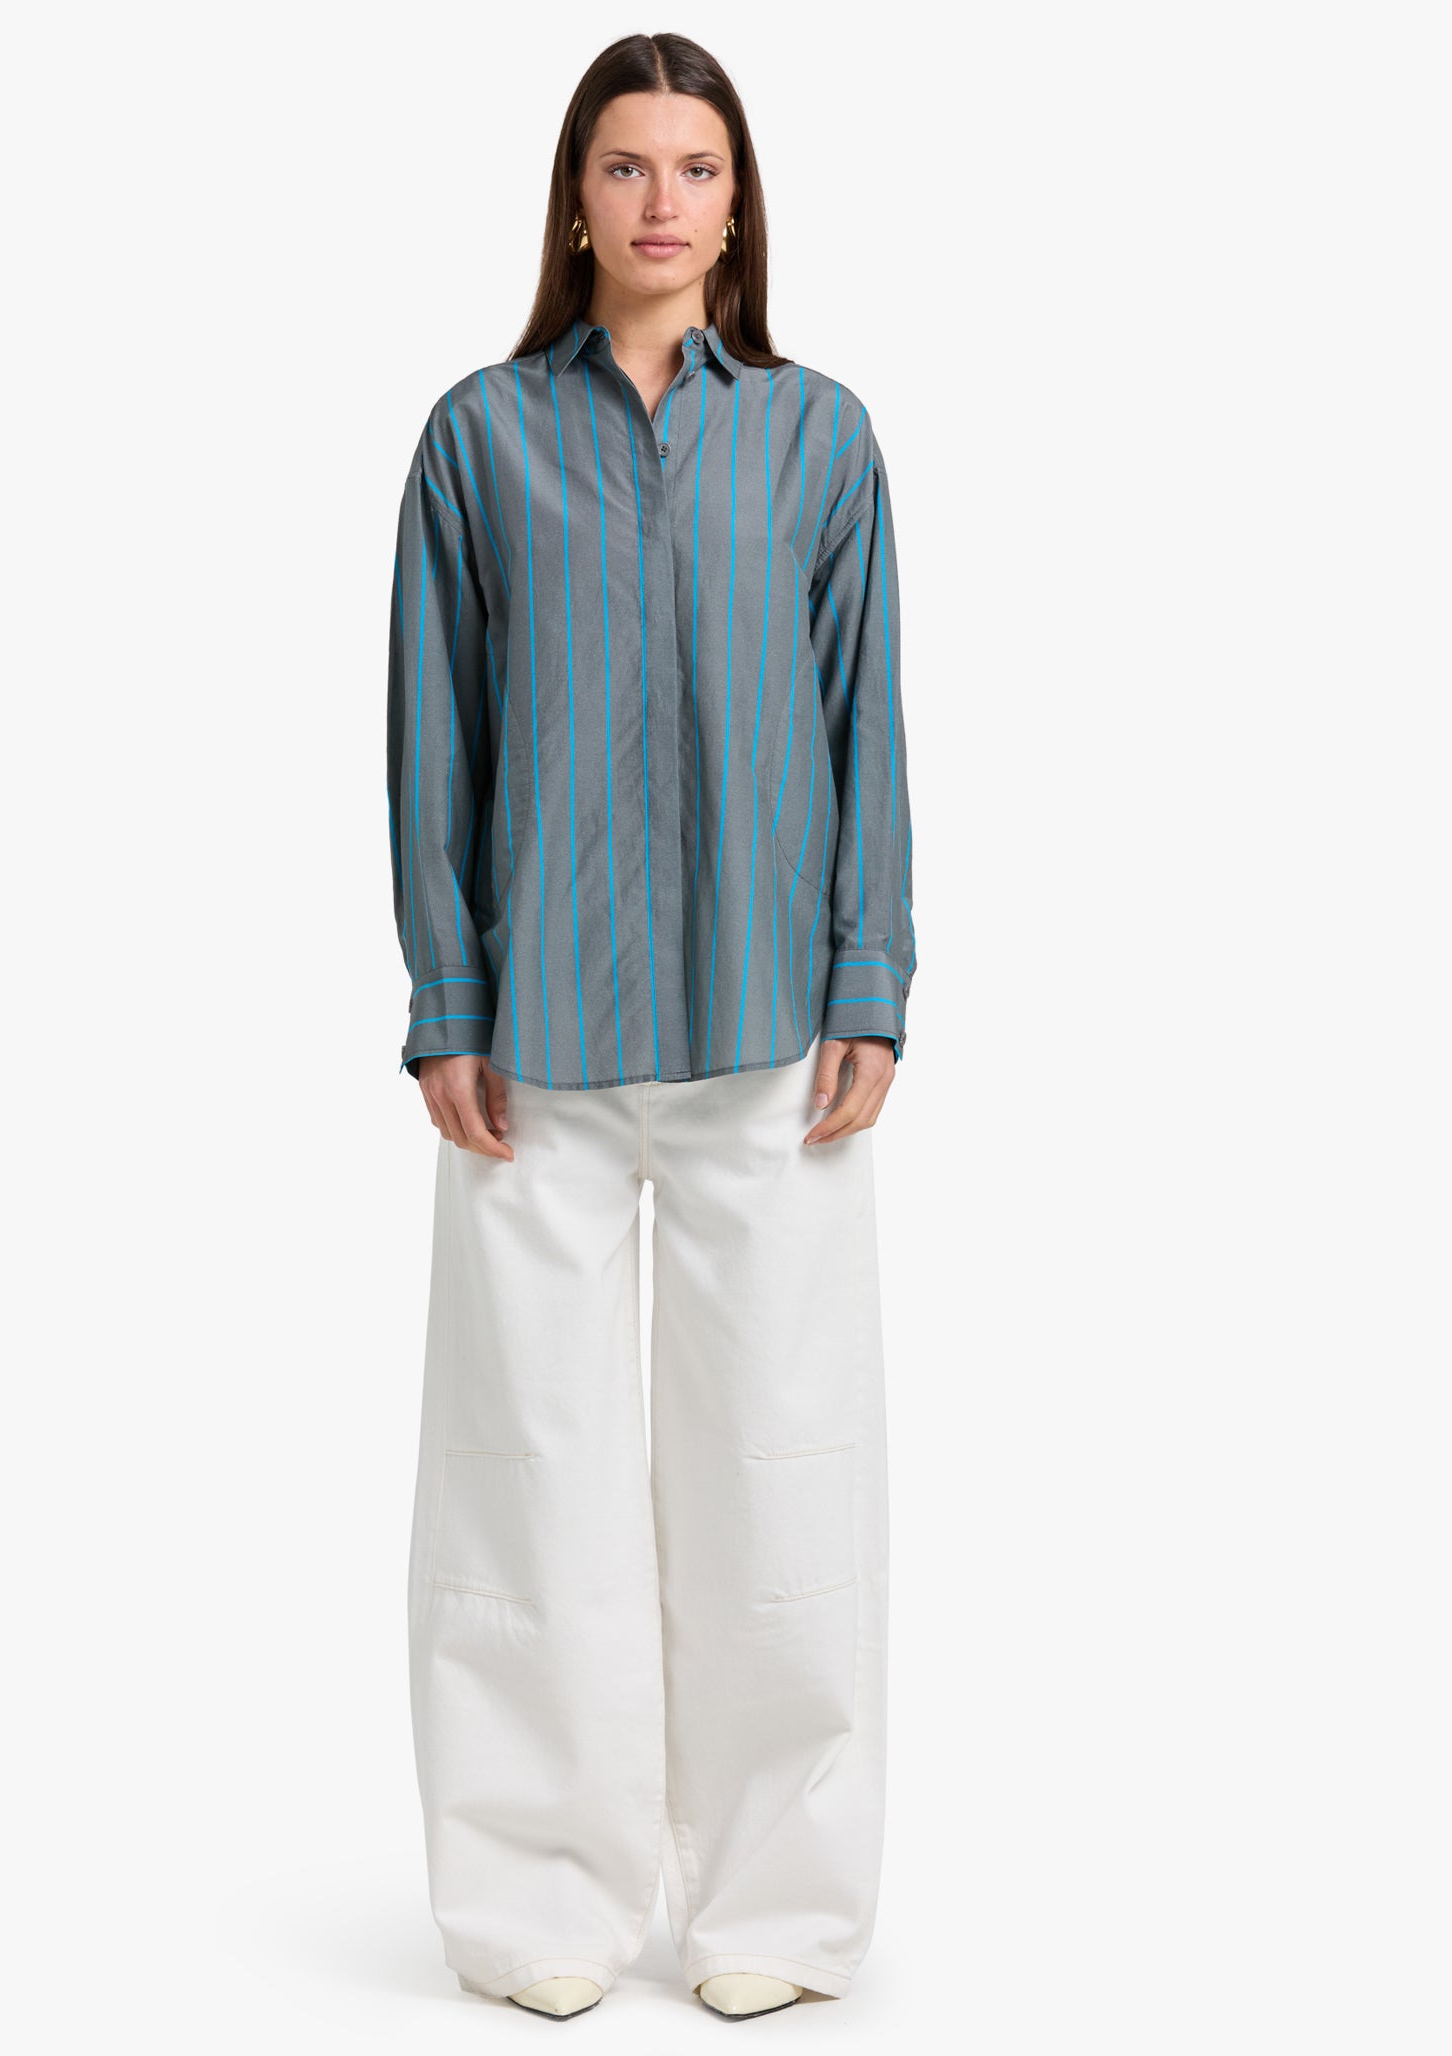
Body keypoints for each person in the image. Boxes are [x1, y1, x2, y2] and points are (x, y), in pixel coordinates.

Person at [386, 30, 914, 2023]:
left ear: (738, 201)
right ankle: (538, 1899)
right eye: (626, 166)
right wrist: (447, 994)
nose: (661, 201)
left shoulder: (821, 440)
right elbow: (431, 736)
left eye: (696, 167)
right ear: (575, 198)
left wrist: (871, 977)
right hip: (530, 1051)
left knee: (782, 1472)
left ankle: (779, 1909)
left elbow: (866, 723)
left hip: (776, 1041)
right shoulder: (475, 439)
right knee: (524, 1475)